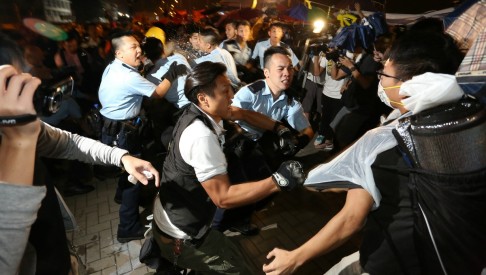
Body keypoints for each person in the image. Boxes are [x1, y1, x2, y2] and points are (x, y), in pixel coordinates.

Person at [262, 31, 465, 275]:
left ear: (409, 84)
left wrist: (295, 257)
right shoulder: (468, 118)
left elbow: (351, 218)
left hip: (392, 260)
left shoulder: (386, 142)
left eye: (384, 74)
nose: (380, 80)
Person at [0, 32, 160, 274]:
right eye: (12, 82)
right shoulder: (16, 131)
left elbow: (69, 143)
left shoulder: (16, 126)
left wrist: (122, 157)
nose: (29, 81)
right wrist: (19, 141)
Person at [152, 61, 306, 274]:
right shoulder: (201, 136)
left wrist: (278, 128)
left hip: (175, 213)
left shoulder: (198, 110)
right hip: (183, 233)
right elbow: (223, 198)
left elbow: (242, 113)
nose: (232, 94)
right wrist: (278, 180)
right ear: (203, 98)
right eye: (225, 90)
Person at [98, 31, 186, 243]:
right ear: (119, 53)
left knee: (123, 167)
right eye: (133, 48)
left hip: (110, 128)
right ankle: (127, 228)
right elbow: (158, 93)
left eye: (139, 46)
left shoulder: (114, 67)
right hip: (122, 132)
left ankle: (120, 194)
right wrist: (172, 74)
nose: (139, 50)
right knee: (133, 178)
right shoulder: (128, 76)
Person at [233, 46, 314, 168]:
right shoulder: (250, 92)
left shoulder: (290, 100)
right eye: (280, 69)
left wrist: (296, 142)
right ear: (267, 72)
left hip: (261, 145)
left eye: (290, 68)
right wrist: (279, 128)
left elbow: (307, 130)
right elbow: (231, 112)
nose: (287, 73)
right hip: (237, 145)